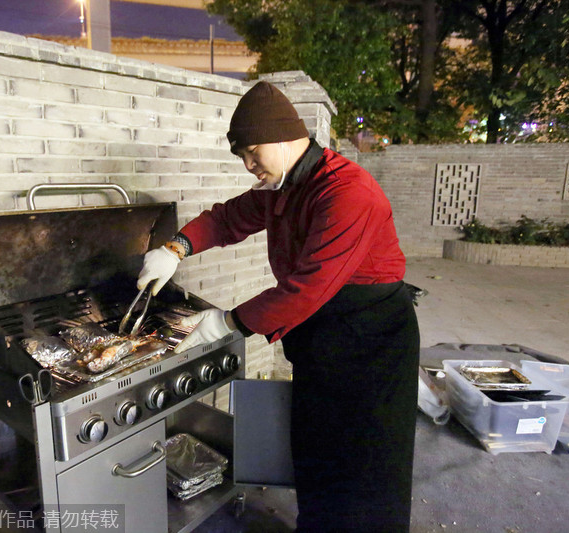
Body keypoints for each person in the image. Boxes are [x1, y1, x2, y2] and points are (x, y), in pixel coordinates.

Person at [137, 81, 420, 532]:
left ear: (287, 139)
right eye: (243, 157)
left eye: (253, 153)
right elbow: (227, 218)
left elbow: (307, 288)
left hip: (370, 340)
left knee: (364, 460)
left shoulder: (349, 193)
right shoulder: (283, 186)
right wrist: (175, 248)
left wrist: (226, 323)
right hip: (322, 336)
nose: (250, 167)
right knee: (316, 443)